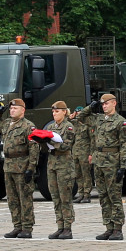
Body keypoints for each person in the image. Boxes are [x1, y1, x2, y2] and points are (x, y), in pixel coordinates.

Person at [73, 93, 126, 240]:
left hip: (112, 162)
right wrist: (90, 108)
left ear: (114, 103)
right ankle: (108, 227)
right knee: (103, 196)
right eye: (102, 104)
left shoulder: (121, 122)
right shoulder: (98, 119)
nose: (104, 106)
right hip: (99, 162)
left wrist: (122, 166)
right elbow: (79, 118)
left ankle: (118, 228)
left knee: (114, 196)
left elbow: (124, 145)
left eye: (106, 103)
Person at [0, 99, 38, 238]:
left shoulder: (29, 126)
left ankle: (27, 227)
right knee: (12, 198)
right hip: (8, 165)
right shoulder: (7, 124)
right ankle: (17, 226)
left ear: (23, 110)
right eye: (11, 108)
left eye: (15, 108)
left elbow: (34, 148)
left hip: (22, 164)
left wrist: (31, 168)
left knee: (24, 197)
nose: (12, 110)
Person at [43, 101, 77, 239]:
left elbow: (65, 146)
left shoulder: (68, 127)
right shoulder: (51, 127)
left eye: (57, 111)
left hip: (65, 166)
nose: (54, 114)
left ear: (64, 112)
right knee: (55, 197)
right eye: (53, 112)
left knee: (65, 197)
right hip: (52, 165)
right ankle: (60, 226)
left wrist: (50, 141)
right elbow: (47, 147)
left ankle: (68, 227)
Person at [71, 106, 94, 204]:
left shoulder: (87, 125)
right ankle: (80, 193)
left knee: (86, 174)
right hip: (75, 153)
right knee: (77, 174)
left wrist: (91, 154)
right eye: (77, 112)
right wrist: (71, 116)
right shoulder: (75, 124)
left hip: (85, 153)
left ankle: (87, 194)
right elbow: (65, 120)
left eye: (80, 112)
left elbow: (92, 140)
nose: (79, 114)